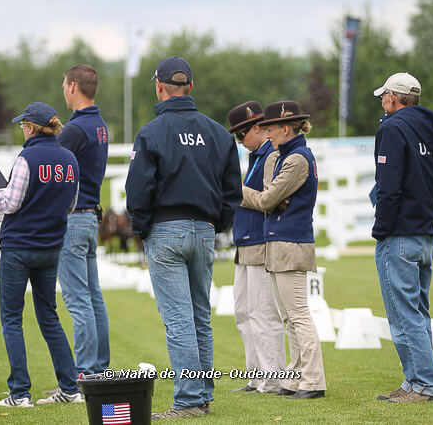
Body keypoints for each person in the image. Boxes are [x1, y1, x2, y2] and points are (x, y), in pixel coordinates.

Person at [125, 56, 242, 419]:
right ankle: (201, 395)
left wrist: (141, 227)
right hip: (204, 230)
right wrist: (217, 226)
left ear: (159, 87)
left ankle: (189, 400)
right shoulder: (218, 133)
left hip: (166, 229)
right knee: (199, 317)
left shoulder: (151, 132)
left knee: (178, 319)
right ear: (190, 87)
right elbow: (232, 190)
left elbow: (138, 190)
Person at [0, 102, 83, 407]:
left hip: (19, 247)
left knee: (12, 319)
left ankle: (20, 393)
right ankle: (69, 388)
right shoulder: (70, 159)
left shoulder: (26, 158)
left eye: (23, 125)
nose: (22, 130)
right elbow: (71, 205)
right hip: (50, 247)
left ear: (32, 127)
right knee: (49, 316)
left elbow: (10, 203)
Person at [371, 72, 433, 403]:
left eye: (384, 96)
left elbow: (389, 186)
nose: (382, 101)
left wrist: (381, 228)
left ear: (393, 97)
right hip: (426, 230)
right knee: (418, 311)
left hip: (399, 233)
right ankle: (413, 380)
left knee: (403, 315)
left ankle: (426, 384)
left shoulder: (392, 128)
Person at [241, 100, 326, 400]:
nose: (268, 134)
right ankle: (296, 375)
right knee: (290, 316)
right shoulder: (283, 157)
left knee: (298, 314)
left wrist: (238, 190)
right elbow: (270, 197)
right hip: (280, 239)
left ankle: (314, 379)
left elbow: (267, 200)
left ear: (286, 128)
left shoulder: (297, 159)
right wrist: (270, 197)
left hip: (291, 242)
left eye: (271, 129)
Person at [228, 101, 286, 394]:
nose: (241, 141)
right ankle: (255, 376)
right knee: (243, 313)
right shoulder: (255, 158)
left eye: (242, 134)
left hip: (261, 241)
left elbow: (268, 199)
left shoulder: (271, 157)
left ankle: (273, 378)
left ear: (258, 128)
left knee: (264, 314)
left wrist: (236, 191)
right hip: (244, 242)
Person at [57, 64, 110, 377]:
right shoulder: (98, 124)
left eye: (65, 85)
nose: (64, 91)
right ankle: (98, 367)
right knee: (93, 297)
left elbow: (49, 164)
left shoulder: (76, 128)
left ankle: (86, 371)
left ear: (74, 86)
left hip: (73, 219)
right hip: (89, 216)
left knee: (78, 300)